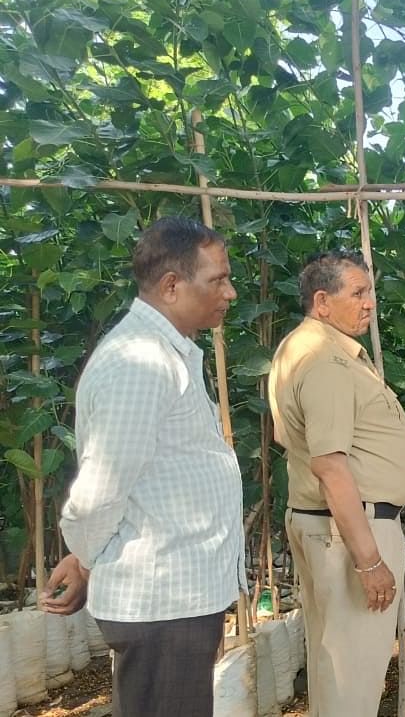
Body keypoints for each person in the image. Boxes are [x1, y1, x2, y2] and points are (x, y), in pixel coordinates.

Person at [41, 216, 244, 717]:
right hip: (162, 601)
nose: (231, 292)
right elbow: (101, 489)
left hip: (175, 599)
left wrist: (85, 556)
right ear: (172, 285)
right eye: (218, 279)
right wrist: (85, 553)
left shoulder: (162, 353)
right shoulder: (140, 362)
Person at [268, 250, 405, 716]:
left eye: (369, 291)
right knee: (352, 678)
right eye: (358, 293)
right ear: (322, 301)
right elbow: (331, 466)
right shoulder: (324, 362)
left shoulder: (303, 348)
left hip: (333, 525)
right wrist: (369, 560)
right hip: (351, 529)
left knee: (334, 668)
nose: (369, 303)